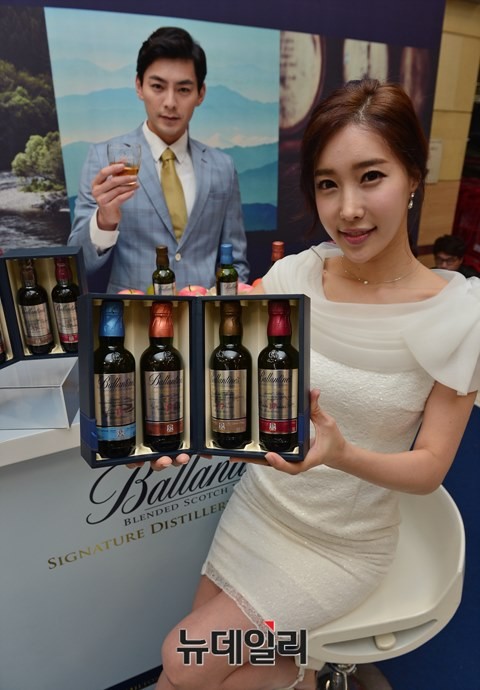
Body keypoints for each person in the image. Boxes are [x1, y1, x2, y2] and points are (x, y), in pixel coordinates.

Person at [141, 79, 480, 690]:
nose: (347, 208)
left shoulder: (460, 317)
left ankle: (305, 669)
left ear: (413, 176)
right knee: (207, 669)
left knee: (181, 658)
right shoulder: (294, 277)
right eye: (328, 184)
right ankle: (304, 668)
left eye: (370, 177)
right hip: (260, 509)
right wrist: (185, 429)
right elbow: (234, 382)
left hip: (341, 546)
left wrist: (343, 453)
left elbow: (430, 468)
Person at [68, 26, 249, 293]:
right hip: (133, 314)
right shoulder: (103, 158)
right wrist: (105, 220)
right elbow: (78, 264)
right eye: (157, 86)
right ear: (139, 86)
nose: (170, 102)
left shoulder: (222, 167)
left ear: (200, 94)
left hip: (204, 314)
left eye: (184, 89)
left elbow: (236, 262)